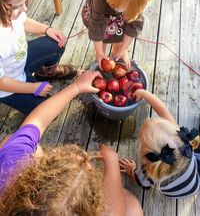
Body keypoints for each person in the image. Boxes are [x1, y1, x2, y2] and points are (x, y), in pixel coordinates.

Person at [0, 70, 143, 216]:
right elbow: (116, 211)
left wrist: (76, 87)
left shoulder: (11, 166)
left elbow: (37, 121)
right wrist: (112, 161)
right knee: (133, 209)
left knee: (15, 143)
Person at [0, 0, 77, 115]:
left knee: (57, 43)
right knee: (48, 111)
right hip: (8, 85)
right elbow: (1, 82)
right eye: (18, 5)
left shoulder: (10, 12)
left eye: (25, 1)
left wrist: (47, 29)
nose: (25, 8)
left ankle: (44, 72)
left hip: (20, 60)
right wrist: (32, 88)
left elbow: (23, 21)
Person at [119, 89, 200, 198]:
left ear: (145, 159)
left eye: (141, 141)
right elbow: (162, 109)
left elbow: (138, 181)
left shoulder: (148, 174)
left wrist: (131, 170)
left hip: (179, 190)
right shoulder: (182, 143)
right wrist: (144, 94)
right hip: (194, 182)